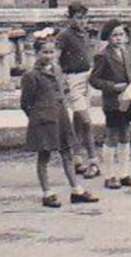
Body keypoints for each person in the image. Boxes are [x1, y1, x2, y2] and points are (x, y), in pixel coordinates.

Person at [21, 35, 97, 208]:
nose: (48, 55)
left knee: (67, 153)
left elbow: (62, 91)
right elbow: (26, 103)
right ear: (36, 53)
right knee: (44, 156)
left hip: (61, 117)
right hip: (43, 120)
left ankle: (76, 190)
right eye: (44, 52)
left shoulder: (56, 69)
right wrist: (38, 118)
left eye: (51, 51)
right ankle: (47, 193)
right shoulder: (31, 75)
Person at [90, 21, 131, 189]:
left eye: (121, 35)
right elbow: (94, 80)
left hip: (127, 99)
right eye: (115, 35)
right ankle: (109, 175)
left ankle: (124, 173)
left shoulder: (126, 52)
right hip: (113, 101)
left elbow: (129, 72)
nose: (119, 38)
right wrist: (112, 86)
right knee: (112, 135)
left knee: (125, 134)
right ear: (108, 37)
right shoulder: (102, 56)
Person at [56, 2, 101, 179]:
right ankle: (93, 161)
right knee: (86, 121)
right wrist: (62, 83)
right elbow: (56, 60)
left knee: (77, 121)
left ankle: (76, 158)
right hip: (73, 79)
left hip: (86, 79)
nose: (82, 21)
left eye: (84, 17)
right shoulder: (64, 36)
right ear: (71, 18)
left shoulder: (84, 34)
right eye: (79, 18)